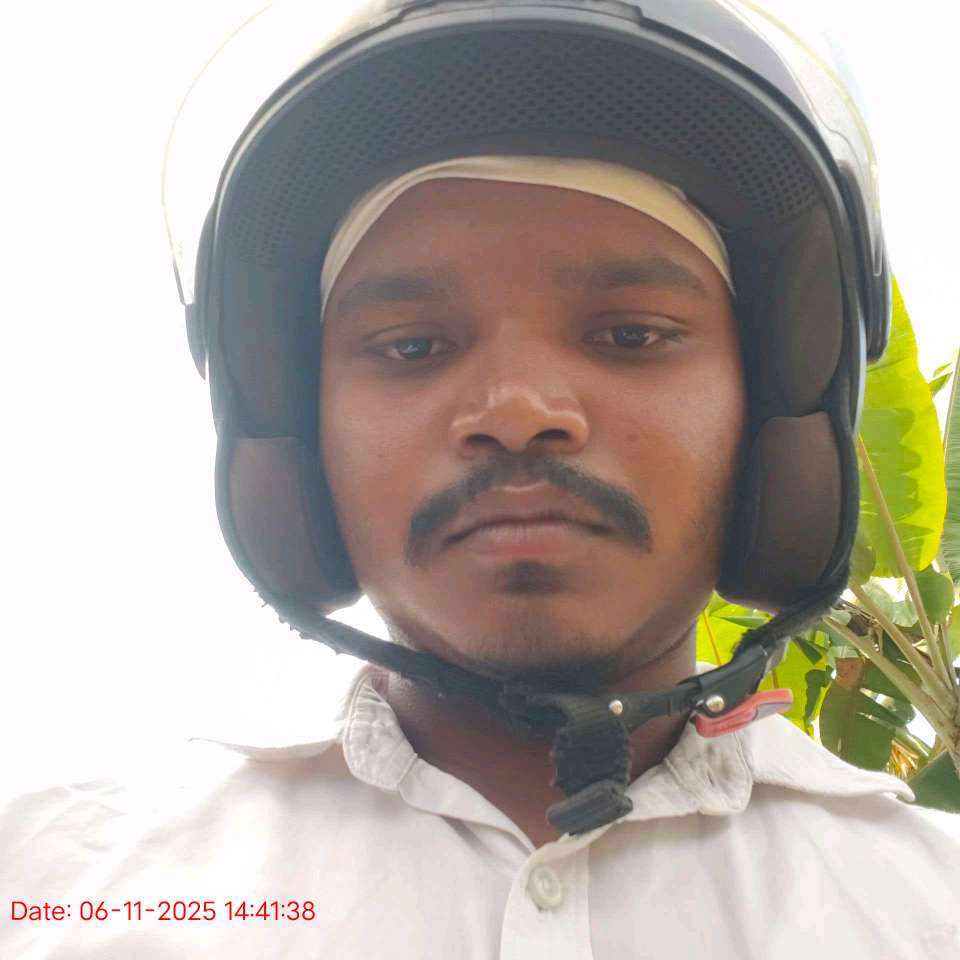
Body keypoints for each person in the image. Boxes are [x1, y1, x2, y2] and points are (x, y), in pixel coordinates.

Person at [2, 1, 959, 957]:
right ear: (297, 434)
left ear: (769, 415)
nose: (516, 409)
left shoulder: (931, 907)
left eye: (631, 334)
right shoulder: (53, 887)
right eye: (411, 346)